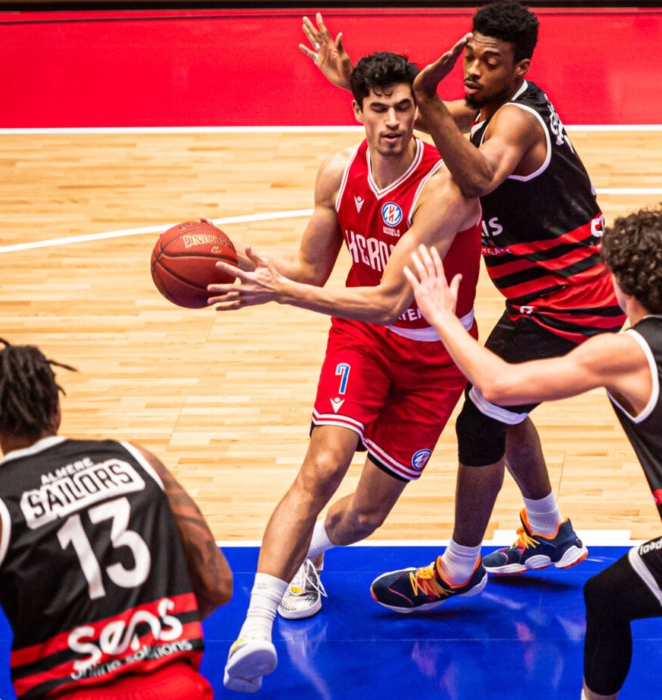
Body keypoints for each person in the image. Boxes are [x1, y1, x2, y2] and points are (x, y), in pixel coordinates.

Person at [300, 0, 626, 613]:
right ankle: (548, 529)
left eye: (490, 61)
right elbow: (417, 118)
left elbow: (475, 177)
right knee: (505, 403)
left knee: (481, 416)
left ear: (520, 67)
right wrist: (359, 85)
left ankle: (459, 567)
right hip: (544, 299)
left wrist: (423, 97)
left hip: (571, 301)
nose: (473, 69)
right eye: (470, 55)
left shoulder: (517, 121)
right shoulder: (489, 108)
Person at [402, 205, 662, 700]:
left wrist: (440, 315)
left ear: (617, 279)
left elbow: (498, 385)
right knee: (606, 597)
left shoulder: (624, 352)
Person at [206, 52, 482, 691]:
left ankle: (309, 553)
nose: (393, 121)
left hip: (437, 357)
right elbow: (312, 270)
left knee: (363, 517)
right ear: (357, 110)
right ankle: (254, 630)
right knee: (323, 466)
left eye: (404, 107)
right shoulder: (337, 173)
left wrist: (283, 294)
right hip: (362, 340)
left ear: (418, 110)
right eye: (378, 108)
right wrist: (247, 267)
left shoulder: (443, 189)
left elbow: (389, 299)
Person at [0, 339, 232, 700]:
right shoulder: (138, 460)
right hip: (176, 688)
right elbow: (217, 584)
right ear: (56, 408)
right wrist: (146, 641)